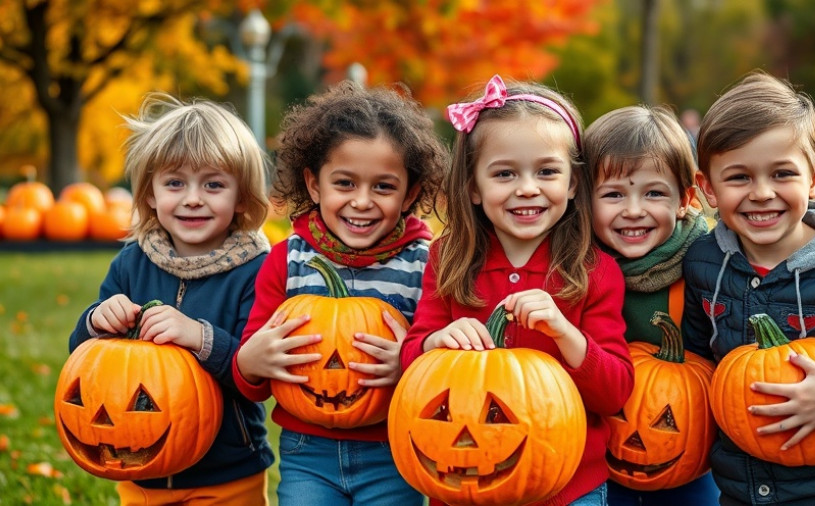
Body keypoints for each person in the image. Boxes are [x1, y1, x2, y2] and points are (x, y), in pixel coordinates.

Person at [399, 74, 635, 506]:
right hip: (463, 477)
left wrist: (565, 333)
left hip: (569, 485)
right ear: (473, 186)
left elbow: (614, 391)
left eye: (546, 171)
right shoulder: (449, 260)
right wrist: (435, 341)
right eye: (505, 173)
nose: (527, 187)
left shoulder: (594, 271)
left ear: (572, 183)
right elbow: (411, 358)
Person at [682, 70, 815, 505]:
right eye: (739, 177)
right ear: (707, 188)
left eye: (782, 174)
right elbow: (696, 358)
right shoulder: (705, 263)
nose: (762, 193)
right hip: (738, 482)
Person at [232, 80, 448, 505]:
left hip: (394, 450)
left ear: (411, 193)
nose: (363, 201)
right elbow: (252, 377)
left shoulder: (425, 264)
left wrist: (410, 361)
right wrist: (250, 362)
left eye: (383, 187)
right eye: (345, 183)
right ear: (314, 185)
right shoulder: (286, 261)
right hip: (306, 453)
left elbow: (442, 364)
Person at [69, 93, 274, 504]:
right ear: (149, 194)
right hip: (138, 468)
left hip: (227, 475)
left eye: (213, 184)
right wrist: (96, 321)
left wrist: (200, 337)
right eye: (174, 183)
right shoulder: (131, 264)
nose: (192, 198)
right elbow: (84, 362)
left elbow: (257, 378)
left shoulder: (255, 271)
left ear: (242, 199)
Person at [584, 104, 719, 505]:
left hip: (689, 449)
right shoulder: (579, 270)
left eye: (654, 193)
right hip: (599, 449)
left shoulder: (706, 266)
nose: (633, 210)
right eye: (613, 194)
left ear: (685, 198)